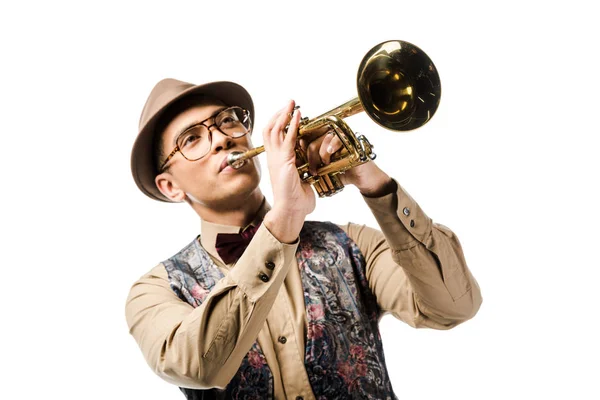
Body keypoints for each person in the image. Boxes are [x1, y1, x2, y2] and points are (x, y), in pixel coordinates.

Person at [125, 78, 483, 400]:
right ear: (169, 187)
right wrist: (286, 219)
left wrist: (372, 181)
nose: (222, 138)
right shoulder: (155, 290)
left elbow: (454, 306)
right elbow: (195, 366)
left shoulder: (352, 243)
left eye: (227, 121)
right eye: (192, 139)